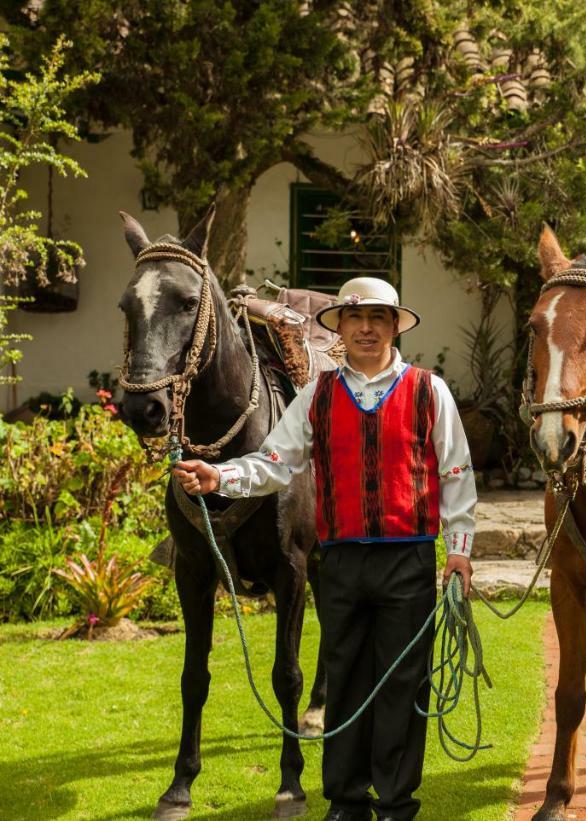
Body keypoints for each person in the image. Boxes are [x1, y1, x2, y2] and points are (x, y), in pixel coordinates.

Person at [172, 276, 476, 821]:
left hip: (408, 559)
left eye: (377, 319)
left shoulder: (431, 391)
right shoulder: (319, 394)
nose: (365, 328)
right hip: (340, 562)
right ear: (340, 329)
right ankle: (346, 800)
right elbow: (275, 463)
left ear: (393, 326)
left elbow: (456, 473)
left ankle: (397, 802)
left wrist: (458, 549)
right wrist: (219, 477)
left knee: (403, 683)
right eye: (355, 319)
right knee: (347, 676)